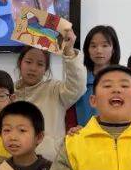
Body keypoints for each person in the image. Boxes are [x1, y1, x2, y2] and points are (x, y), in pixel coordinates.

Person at [12, 30, 85, 160]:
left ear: (45, 69)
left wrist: (68, 51)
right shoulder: (8, 93)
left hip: (51, 163)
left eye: (40, 64)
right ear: (20, 63)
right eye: (28, 62)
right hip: (15, 163)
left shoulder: (55, 90)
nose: (33, 68)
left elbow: (77, 86)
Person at [66, 25, 121, 130]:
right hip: (84, 136)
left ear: (113, 49)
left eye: (105, 45)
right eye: (93, 46)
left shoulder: (124, 79)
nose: (99, 50)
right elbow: (70, 112)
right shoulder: (80, 79)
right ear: (87, 50)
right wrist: (74, 128)